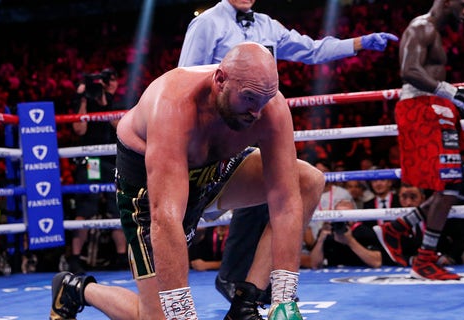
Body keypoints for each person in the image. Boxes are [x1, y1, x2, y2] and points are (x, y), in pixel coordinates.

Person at [50, 42, 325, 320]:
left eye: (264, 100)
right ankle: (75, 288)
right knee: (157, 317)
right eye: (250, 98)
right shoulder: (173, 104)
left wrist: (284, 299)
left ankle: (246, 303)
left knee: (308, 182)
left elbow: (286, 200)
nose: (256, 112)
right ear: (220, 80)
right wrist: (181, 315)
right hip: (149, 185)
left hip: (215, 170)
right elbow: (165, 218)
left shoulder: (269, 106)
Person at [178, 0, 398, 307]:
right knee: (186, 219)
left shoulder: (268, 25)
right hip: (213, 137)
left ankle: (249, 288)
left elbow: (311, 50)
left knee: (285, 188)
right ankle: (223, 282)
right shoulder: (207, 23)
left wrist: (359, 43)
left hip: (255, 127)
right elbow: (183, 80)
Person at [372, 0, 464, 280]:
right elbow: (409, 70)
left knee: (455, 186)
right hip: (421, 108)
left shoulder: (434, 31)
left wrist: (451, 96)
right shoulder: (420, 27)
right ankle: (425, 259)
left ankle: (398, 228)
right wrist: (450, 92)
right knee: (449, 186)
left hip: (435, 107)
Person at [68, 67, 128, 273]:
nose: (108, 84)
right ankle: (75, 258)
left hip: (113, 160)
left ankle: (121, 256)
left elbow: (121, 127)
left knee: (116, 207)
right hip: (92, 161)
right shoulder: (85, 101)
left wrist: (107, 103)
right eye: (105, 80)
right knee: (86, 207)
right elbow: (79, 129)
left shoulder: (120, 103)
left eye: (111, 80)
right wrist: (83, 98)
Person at [310, 200, 383, 269]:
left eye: (346, 215)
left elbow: (376, 262)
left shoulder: (364, 231)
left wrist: (351, 241)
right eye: (339, 215)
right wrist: (321, 240)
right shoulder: (327, 231)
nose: (342, 220)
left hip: (361, 273)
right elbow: (315, 265)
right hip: (333, 274)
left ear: (354, 217)